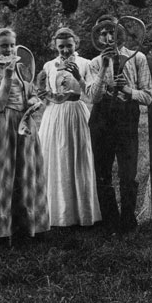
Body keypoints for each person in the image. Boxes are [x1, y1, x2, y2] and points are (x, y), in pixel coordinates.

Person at [0, 28, 49, 245]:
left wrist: (34, 102)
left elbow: (30, 95)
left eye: (12, 45)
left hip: (24, 124)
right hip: (2, 124)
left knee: (24, 173)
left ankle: (24, 228)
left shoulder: (22, 67)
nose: (9, 49)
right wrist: (6, 76)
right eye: (4, 45)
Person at [85, 16, 152, 234]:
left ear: (120, 33)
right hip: (101, 119)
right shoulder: (94, 63)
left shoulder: (137, 58)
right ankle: (110, 221)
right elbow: (93, 97)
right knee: (102, 172)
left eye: (111, 32)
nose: (107, 37)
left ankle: (128, 221)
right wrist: (104, 69)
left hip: (126, 118)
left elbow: (148, 96)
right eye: (102, 34)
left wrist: (128, 90)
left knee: (127, 173)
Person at [37, 27, 101, 227]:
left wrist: (78, 80)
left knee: (77, 158)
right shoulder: (49, 65)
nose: (65, 50)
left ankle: (80, 213)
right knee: (55, 157)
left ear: (76, 45)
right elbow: (45, 92)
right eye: (61, 47)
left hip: (76, 112)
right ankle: (56, 213)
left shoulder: (85, 63)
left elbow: (91, 93)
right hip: (54, 115)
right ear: (55, 46)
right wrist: (45, 93)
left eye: (69, 46)